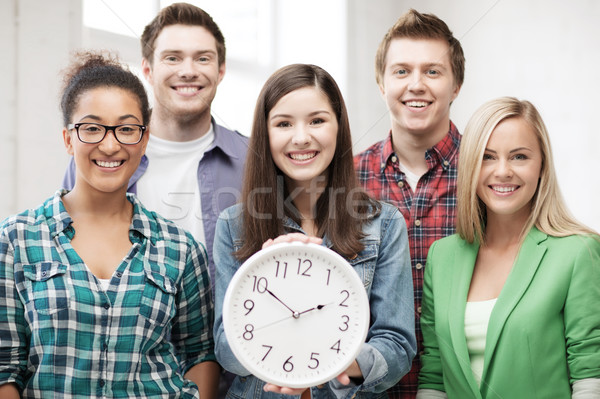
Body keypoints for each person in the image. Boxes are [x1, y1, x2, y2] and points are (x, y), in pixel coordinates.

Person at [0, 52, 218, 398]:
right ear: (68, 138)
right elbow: (5, 366)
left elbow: (199, 353)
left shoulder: (180, 248)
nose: (110, 144)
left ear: (144, 139)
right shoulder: (16, 239)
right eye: (92, 128)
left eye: (127, 129)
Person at [212, 64, 416, 399]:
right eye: (283, 123)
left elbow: (396, 347)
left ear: (338, 127)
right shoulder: (233, 225)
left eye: (317, 120)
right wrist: (261, 272)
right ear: (266, 133)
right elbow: (226, 352)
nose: (302, 137)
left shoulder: (385, 224)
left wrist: (326, 362)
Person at [417, 97, 600, 398]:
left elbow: (589, 374)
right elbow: (435, 373)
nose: (502, 171)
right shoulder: (442, 256)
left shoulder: (578, 251)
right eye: (487, 157)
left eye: (519, 157)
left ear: (542, 165)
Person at [63, 2, 248, 290]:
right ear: (147, 69)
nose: (188, 71)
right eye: (172, 58)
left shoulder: (252, 159)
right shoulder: (101, 158)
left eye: (202, 58)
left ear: (220, 70)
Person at [354, 9, 465, 399]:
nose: (416, 85)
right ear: (381, 83)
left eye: (432, 71)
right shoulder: (346, 181)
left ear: (456, 85)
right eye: (401, 71)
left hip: (465, 385)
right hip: (368, 390)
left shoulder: (488, 178)